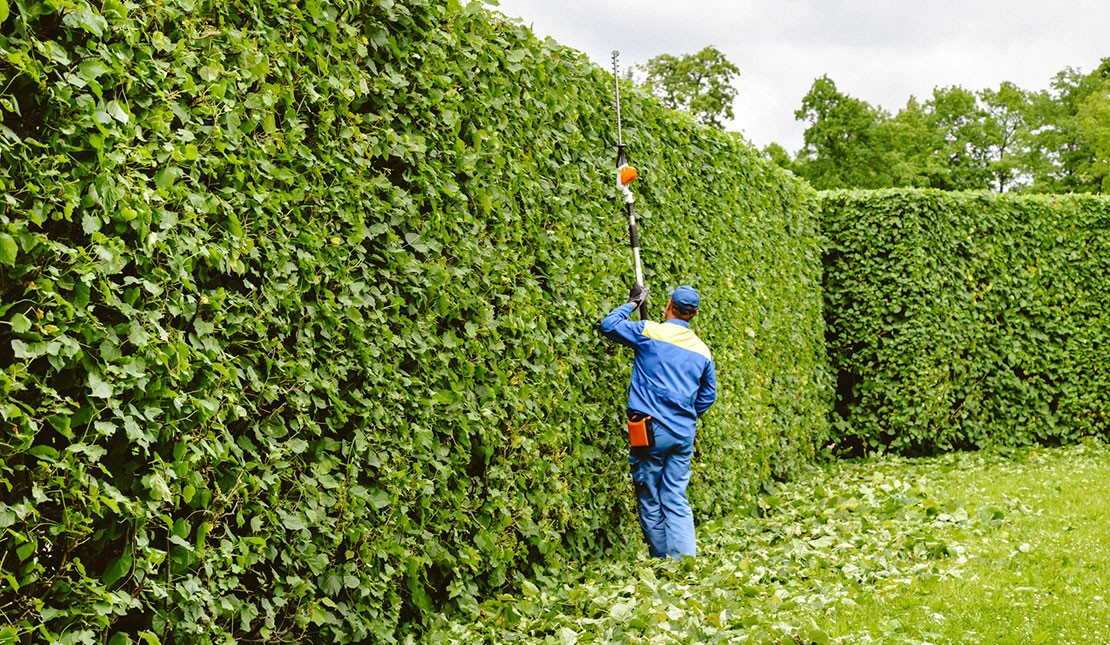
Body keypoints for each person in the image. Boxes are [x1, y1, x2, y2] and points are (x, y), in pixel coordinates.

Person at [599, 283, 717, 558]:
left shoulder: (649, 332)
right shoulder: (703, 351)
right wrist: (685, 414)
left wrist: (633, 303)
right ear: (694, 314)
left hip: (650, 430)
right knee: (676, 496)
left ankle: (664, 562)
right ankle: (685, 563)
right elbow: (707, 396)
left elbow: (608, 325)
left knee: (649, 495)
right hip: (683, 434)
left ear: (668, 306)